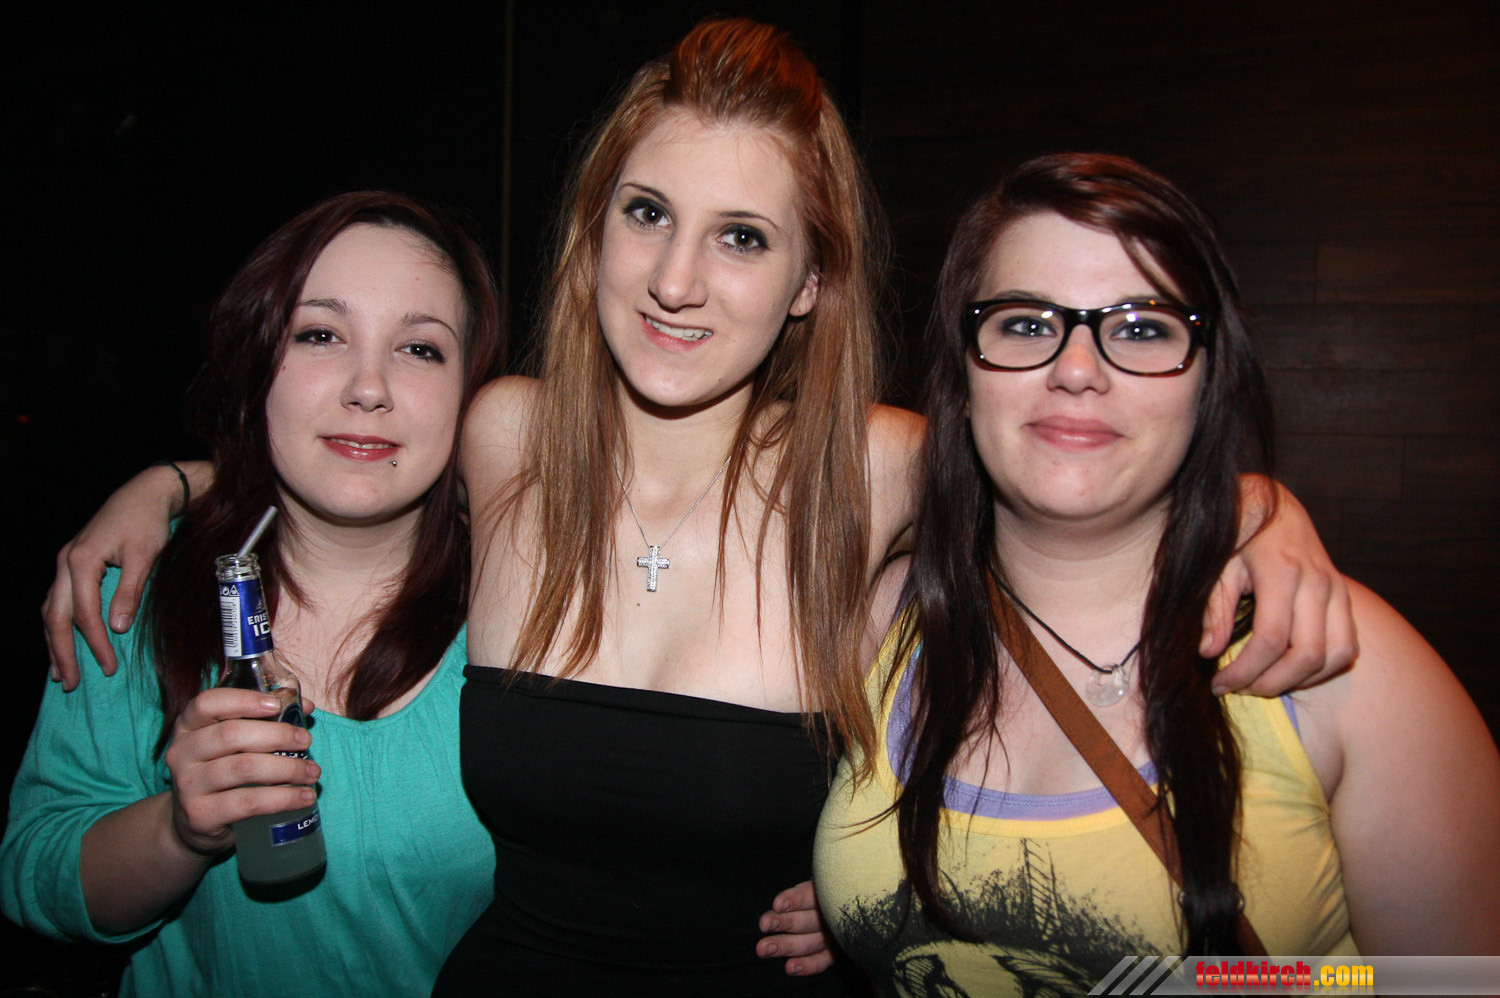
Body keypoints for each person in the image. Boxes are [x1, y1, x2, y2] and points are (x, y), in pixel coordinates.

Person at [40, 22, 1352, 996]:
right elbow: (344, 450)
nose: (676, 279)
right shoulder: (507, 438)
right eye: (648, 213)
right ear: (594, 234)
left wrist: (1259, 505)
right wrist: (163, 489)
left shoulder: (873, 473)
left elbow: (1084, 467)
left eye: (741, 236)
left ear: (808, 282)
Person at [813, 153, 1500, 996]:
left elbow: (1454, 982)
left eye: (1141, 329)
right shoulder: (883, 621)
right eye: (1025, 323)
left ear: (1207, 381)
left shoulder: (1341, 663)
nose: (1077, 369)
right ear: (962, 374)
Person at [2, 192, 507, 995]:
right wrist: (179, 829)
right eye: (320, 335)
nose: (367, 387)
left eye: (420, 348)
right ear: (256, 364)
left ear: (472, 395)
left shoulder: (525, 603)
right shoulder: (138, 587)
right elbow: (37, 876)